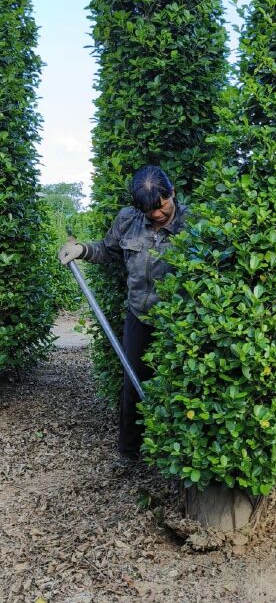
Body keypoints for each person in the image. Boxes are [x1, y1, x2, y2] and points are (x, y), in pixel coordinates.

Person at [58, 165, 189, 463]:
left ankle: (180, 457)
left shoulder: (193, 224)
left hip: (180, 324)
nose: (156, 215)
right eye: (148, 210)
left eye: (162, 207)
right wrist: (82, 249)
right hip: (139, 316)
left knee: (180, 386)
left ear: (172, 194)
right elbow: (109, 250)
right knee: (133, 383)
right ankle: (131, 453)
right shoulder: (128, 221)